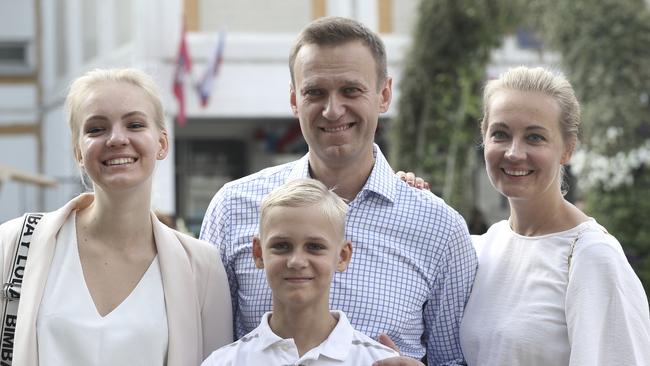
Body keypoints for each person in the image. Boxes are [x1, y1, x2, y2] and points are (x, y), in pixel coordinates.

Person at [200, 16, 477, 365]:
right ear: (294, 100)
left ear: (384, 95)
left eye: (351, 90)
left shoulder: (439, 228)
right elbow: (208, 345)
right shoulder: (233, 208)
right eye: (315, 92)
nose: (333, 110)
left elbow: (455, 358)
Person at [0, 68, 232, 365]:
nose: (116, 139)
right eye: (96, 129)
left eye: (134, 124)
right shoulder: (16, 243)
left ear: (161, 143)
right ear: (78, 153)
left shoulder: (202, 266)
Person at [459, 66, 650, 365]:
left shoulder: (591, 257)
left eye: (534, 138)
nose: (513, 152)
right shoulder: (482, 247)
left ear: (567, 149)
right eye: (500, 133)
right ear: (484, 136)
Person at [202, 178, 399, 365]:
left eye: (314, 247)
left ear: (342, 256)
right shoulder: (224, 362)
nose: (297, 261)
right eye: (282, 246)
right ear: (258, 252)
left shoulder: (378, 361)